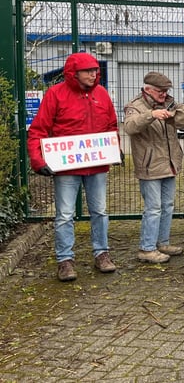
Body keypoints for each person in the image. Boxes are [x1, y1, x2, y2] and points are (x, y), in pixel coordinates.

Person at [27, 52, 119, 282]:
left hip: (97, 165)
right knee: (65, 214)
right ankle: (65, 260)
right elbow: (38, 129)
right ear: (73, 73)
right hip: (66, 168)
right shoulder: (55, 94)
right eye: (88, 71)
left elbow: (111, 125)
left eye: (95, 70)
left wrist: (114, 148)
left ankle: (101, 254)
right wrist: (39, 161)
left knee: (100, 211)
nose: (93, 74)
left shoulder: (101, 94)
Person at [124, 72, 184, 264]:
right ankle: (147, 248)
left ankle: (162, 243)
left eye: (166, 91)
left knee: (167, 206)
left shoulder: (169, 103)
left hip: (170, 164)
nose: (163, 94)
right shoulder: (135, 106)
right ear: (147, 89)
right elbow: (130, 127)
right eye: (160, 91)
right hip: (149, 167)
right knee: (153, 208)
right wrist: (151, 115)